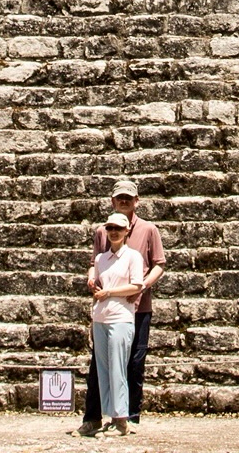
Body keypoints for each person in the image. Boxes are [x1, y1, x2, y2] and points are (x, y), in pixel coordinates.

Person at [78, 179, 167, 436]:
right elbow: (95, 261)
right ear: (113, 201)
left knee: (134, 364)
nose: (125, 201)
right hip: (108, 308)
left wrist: (142, 287)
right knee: (99, 365)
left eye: (129, 197)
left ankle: (130, 417)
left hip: (137, 306)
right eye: (120, 198)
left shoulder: (149, 230)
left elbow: (158, 264)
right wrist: (90, 277)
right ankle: (93, 417)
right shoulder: (102, 231)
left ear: (137, 200)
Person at [87, 211, 144, 438]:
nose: (113, 232)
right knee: (103, 370)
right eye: (110, 228)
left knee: (118, 369)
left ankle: (121, 419)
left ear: (126, 231)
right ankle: (109, 416)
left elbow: (136, 286)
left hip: (120, 317)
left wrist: (109, 292)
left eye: (118, 229)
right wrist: (94, 284)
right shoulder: (101, 259)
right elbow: (97, 281)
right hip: (101, 317)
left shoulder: (133, 257)